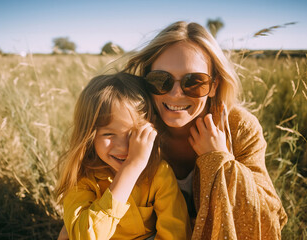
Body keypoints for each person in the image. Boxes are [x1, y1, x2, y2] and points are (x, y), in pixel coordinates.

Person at [121, 21, 288, 239]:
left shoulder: (240, 128)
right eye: (161, 80)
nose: (175, 94)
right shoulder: (132, 124)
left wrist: (220, 160)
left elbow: (268, 218)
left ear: (214, 85)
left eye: (194, 81)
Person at [55, 72, 192, 239]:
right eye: (108, 134)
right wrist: (131, 169)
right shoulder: (83, 178)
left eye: (133, 134)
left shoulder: (158, 172)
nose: (123, 146)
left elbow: (175, 233)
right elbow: (84, 236)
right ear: (89, 135)